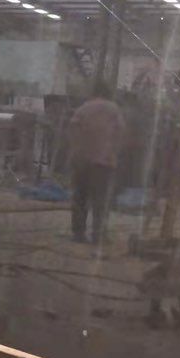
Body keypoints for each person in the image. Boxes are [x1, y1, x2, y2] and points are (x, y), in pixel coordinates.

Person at [68, 81, 125, 243]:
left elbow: (73, 131)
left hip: (82, 159)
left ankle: (78, 233)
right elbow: (120, 133)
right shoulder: (114, 109)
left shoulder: (83, 108)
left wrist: (75, 153)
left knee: (80, 197)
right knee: (100, 200)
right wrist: (114, 153)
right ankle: (98, 235)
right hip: (103, 161)